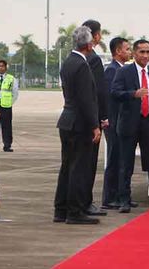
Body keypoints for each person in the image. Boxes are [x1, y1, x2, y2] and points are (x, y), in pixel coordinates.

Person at [111, 39, 149, 212]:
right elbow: (114, 92)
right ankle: (124, 199)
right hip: (129, 123)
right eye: (141, 52)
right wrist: (133, 94)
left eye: (148, 52)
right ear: (134, 54)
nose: (145, 55)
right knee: (126, 162)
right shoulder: (124, 72)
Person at [53, 26, 101, 225]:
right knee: (78, 168)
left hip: (67, 120)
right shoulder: (82, 65)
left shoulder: (68, 62)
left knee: (67, 166)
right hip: (79, 122)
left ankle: (61, 208)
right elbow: (86, 99)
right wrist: (95, 125)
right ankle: (75, 211)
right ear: (89, 44)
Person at [79, 20, 109, 217]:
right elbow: (99, 92)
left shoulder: (76, 58)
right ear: (96, 36)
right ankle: (86, 202)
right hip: (92, 118)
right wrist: (102, 118)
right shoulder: (94, 59)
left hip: (77, 117)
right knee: (88, 164)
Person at [101, 37, 131, 210]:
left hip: (122, 121)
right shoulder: (112, 71)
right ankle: (109, 198)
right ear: (118, 51)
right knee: (113, 160)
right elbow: (110, 97)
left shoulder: (122, 70)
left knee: (121, 160)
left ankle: (121, 196)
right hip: (114, 122)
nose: (129, 52)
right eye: (127, 49)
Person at [0, 60, 18, 153]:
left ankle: (7, 146)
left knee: (7, 127)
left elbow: (15, 93)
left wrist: (9, 102)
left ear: (6, 67)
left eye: (2, 66)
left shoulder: (12, 79)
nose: (0, 68)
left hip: (6, 106)